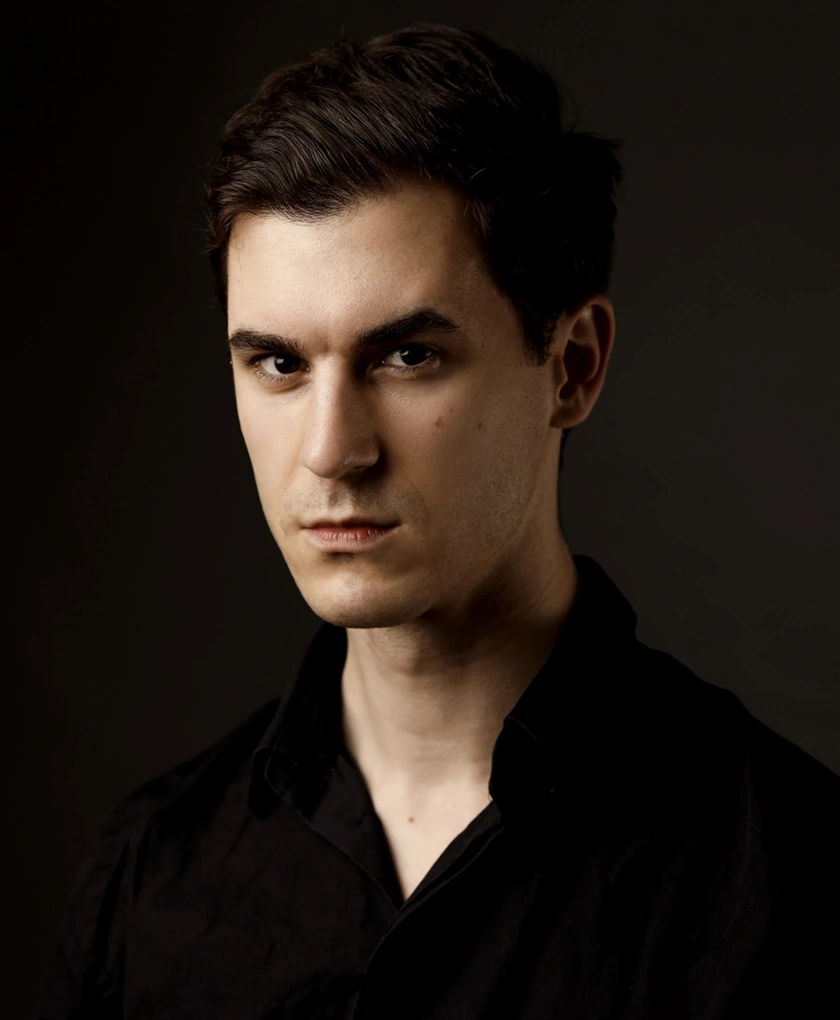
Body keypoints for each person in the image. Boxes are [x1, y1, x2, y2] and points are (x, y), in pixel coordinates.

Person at [37, 22, 839, 1020]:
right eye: (279, 363)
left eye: (407, 357)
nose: (331, 450)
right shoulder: (148, 875)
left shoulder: (792, 878)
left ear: (573, 366)